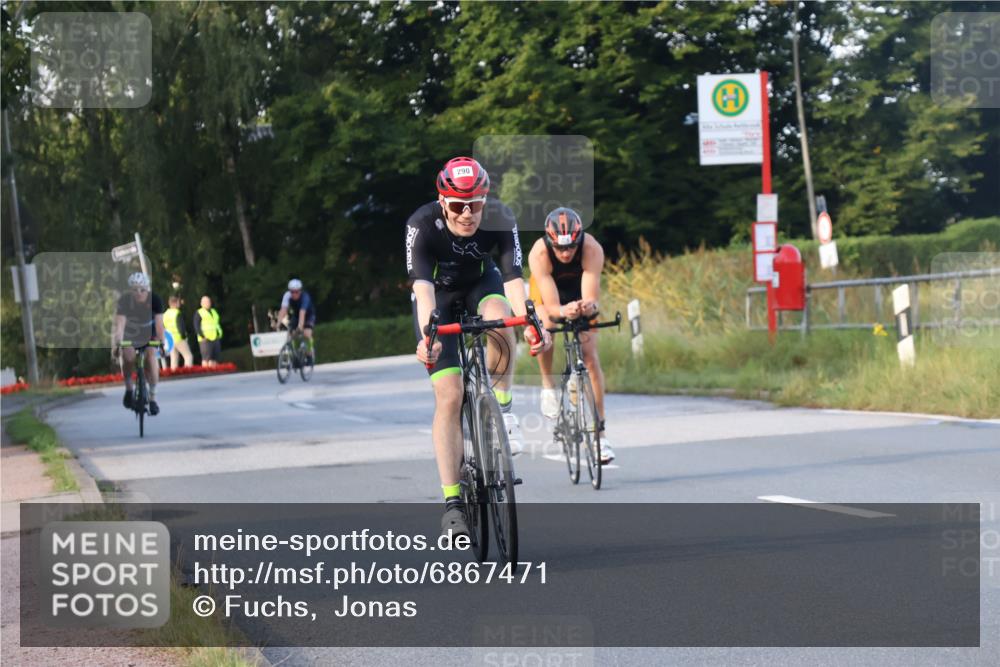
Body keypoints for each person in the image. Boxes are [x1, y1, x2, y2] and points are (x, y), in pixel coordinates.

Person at [407, 156, 551, 538]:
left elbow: (513, 280)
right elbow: (422, 290)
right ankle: (453, 503)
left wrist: (532, 325)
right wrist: (428, 338)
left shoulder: (500, 217)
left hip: (480, 285)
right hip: (437, 298)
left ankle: (501, 410)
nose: (468, 214)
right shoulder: (422, 225)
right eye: (458, 206)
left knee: (502, 319)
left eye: (475, 204)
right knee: (450, 396)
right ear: (443, 202)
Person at [528, 207, 615, 463]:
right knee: (544, 329)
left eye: (570, 247)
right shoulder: (540, 253)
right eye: (560, 248)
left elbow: (593, 300)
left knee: (589, 357)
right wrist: (561, 311)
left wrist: (588, 307)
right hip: (550, 295)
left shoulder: (591, 249)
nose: (565, 253)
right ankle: (548, 385)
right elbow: (551, 307)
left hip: (578, 288)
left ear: (579, 240)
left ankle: (600, 437)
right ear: (550, 243)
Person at [112, 272, 166, 416]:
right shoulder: (124, 301)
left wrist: (161, 343)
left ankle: (153, 398)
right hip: (131, 333)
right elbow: (120, 326)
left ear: (147, 288)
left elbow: (160, 325)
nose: (139, 292)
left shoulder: (155, 299)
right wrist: (117, 344)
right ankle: (129, 389)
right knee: (128, 355)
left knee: (150, 357)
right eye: (135, 289)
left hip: (149, 332)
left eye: (142, 289)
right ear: (130, 290)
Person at [277, 279, 316, 359]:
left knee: (306, 333)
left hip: (308, 315)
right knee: (290, 334)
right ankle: (292, 354)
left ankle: (310, 352)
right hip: (297, 315)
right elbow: (283, 310)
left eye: (296, 292)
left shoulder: (305, 297)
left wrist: (300, 326)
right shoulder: (287, 295)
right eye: (292, 292)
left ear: (300, 291)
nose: (294, 294)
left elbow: (302, 312)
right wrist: (278, 323)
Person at [163, 295, 194, 369]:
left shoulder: (165, 314)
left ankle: (173, 375)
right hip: (179, 338)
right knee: (188, 356)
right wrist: (184, 336)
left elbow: (163, 327)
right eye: (178, 302)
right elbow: (181, 326)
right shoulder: (177, 313)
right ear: (175, 303)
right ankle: (187, 372)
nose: (179, 304)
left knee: (174, 358)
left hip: (170, 339)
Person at [194, 296, 222, 368]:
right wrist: (202, 336)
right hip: (205, 339)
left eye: (209, 301)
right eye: (206, 302)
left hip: (215, 337)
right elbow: (196, 326)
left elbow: (216, 324)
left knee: (214, 357)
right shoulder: (199, 312)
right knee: (206, 358)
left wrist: (219, 334)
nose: (208, 303)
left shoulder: (213, 311)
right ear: (201, 303)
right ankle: (205, 373)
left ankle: (214, 373)